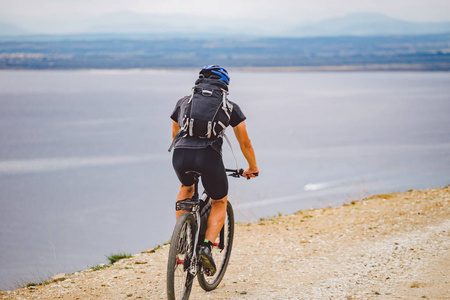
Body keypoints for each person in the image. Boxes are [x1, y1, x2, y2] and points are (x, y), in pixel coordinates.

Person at [170, 65, 259, 275]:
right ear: (224, 84)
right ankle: (206, 247)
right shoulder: (230, 106)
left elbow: (175, 134)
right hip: (208, 157)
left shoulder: (184, 102)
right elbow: (245, 143)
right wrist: (252, 168)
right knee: (219, 201)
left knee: (186, 186)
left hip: (180, 155)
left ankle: (181, 238)